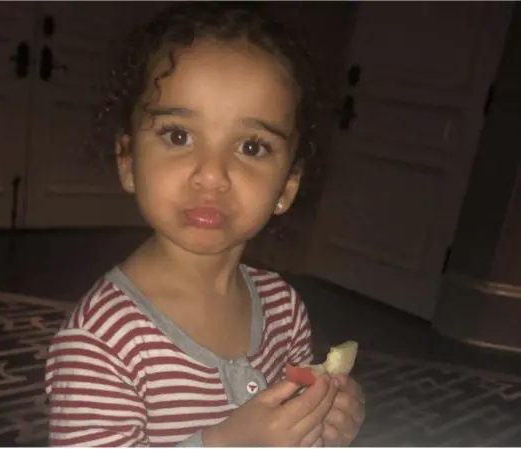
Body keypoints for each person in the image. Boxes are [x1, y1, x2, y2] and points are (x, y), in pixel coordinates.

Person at [45, 2, 365, 446]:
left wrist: (324, 425)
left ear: (287, 186)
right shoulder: (102, 341)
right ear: (128, 161)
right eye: (178, 136)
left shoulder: (284, 310)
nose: (212, 175)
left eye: (252, 147)